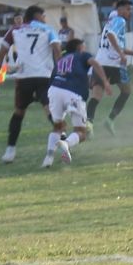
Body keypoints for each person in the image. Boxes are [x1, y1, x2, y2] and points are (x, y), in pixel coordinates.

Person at [0, 6, 62, 164]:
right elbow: (57, 52)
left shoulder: (15, 30)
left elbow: (1, 55)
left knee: (19, 112)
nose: (45, 19)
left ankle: (10, 150)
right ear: (37, 16)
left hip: (24, 78)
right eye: (43, 15)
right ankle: (63, 138)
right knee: (49, 110)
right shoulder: (48, 29)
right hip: (44, 76)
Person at [43, 38, 111, 168]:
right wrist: (105, 82)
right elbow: (95, 63)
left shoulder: (61, 60)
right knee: (81, 132)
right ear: (79, 48)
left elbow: (52, 79)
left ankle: (49, 157)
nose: (85, 49)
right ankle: (66, 144)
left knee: (58, 127)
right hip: (72, 92)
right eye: (83, 46)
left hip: (54, 90)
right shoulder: (82, 55)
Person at [86, 0, 133, 135]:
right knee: (126, 91)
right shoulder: (120, 21)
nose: (130, 12)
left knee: (96, 96)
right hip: (113, 64)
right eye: (127, 9)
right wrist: (121, 55)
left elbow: (114, 44)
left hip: (100, 63)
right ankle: (110, 120)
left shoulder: (109, 23)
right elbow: (111, 37)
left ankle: (89, 123)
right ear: (119, 10)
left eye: (131, 9)